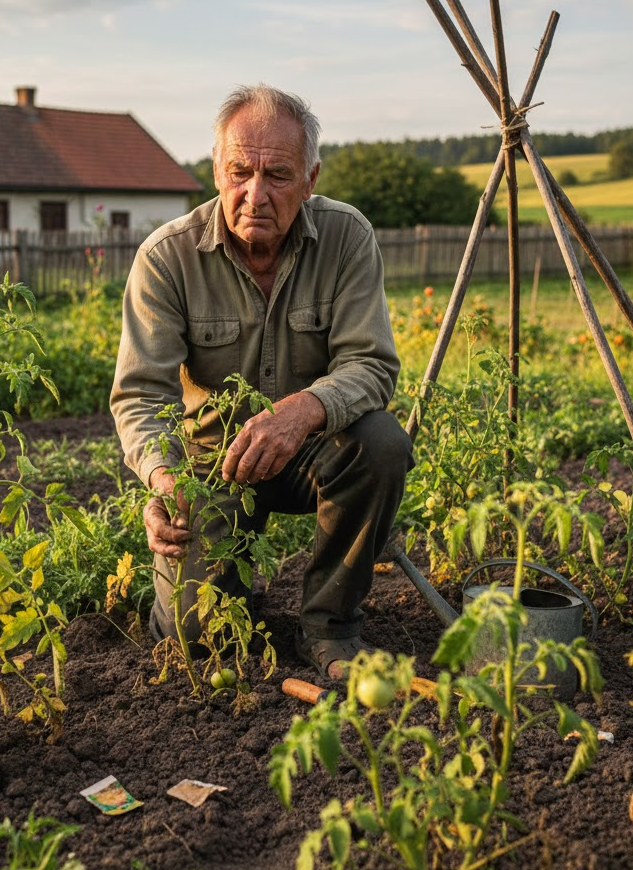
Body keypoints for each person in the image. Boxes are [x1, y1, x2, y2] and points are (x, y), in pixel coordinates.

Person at [109, 83, 413, 681]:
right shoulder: (167, 258)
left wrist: (301, 412)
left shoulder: (347, 238)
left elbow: (371, 366)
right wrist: (163, 477)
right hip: (211, 466)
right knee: (198, 639)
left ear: (310, 178)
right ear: (216, 171)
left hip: (313, 452)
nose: (255, 193)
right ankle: (197, 599)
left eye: (277, 175)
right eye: (240, 171)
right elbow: (142, 394)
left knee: (380, 444)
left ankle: (330, 626)